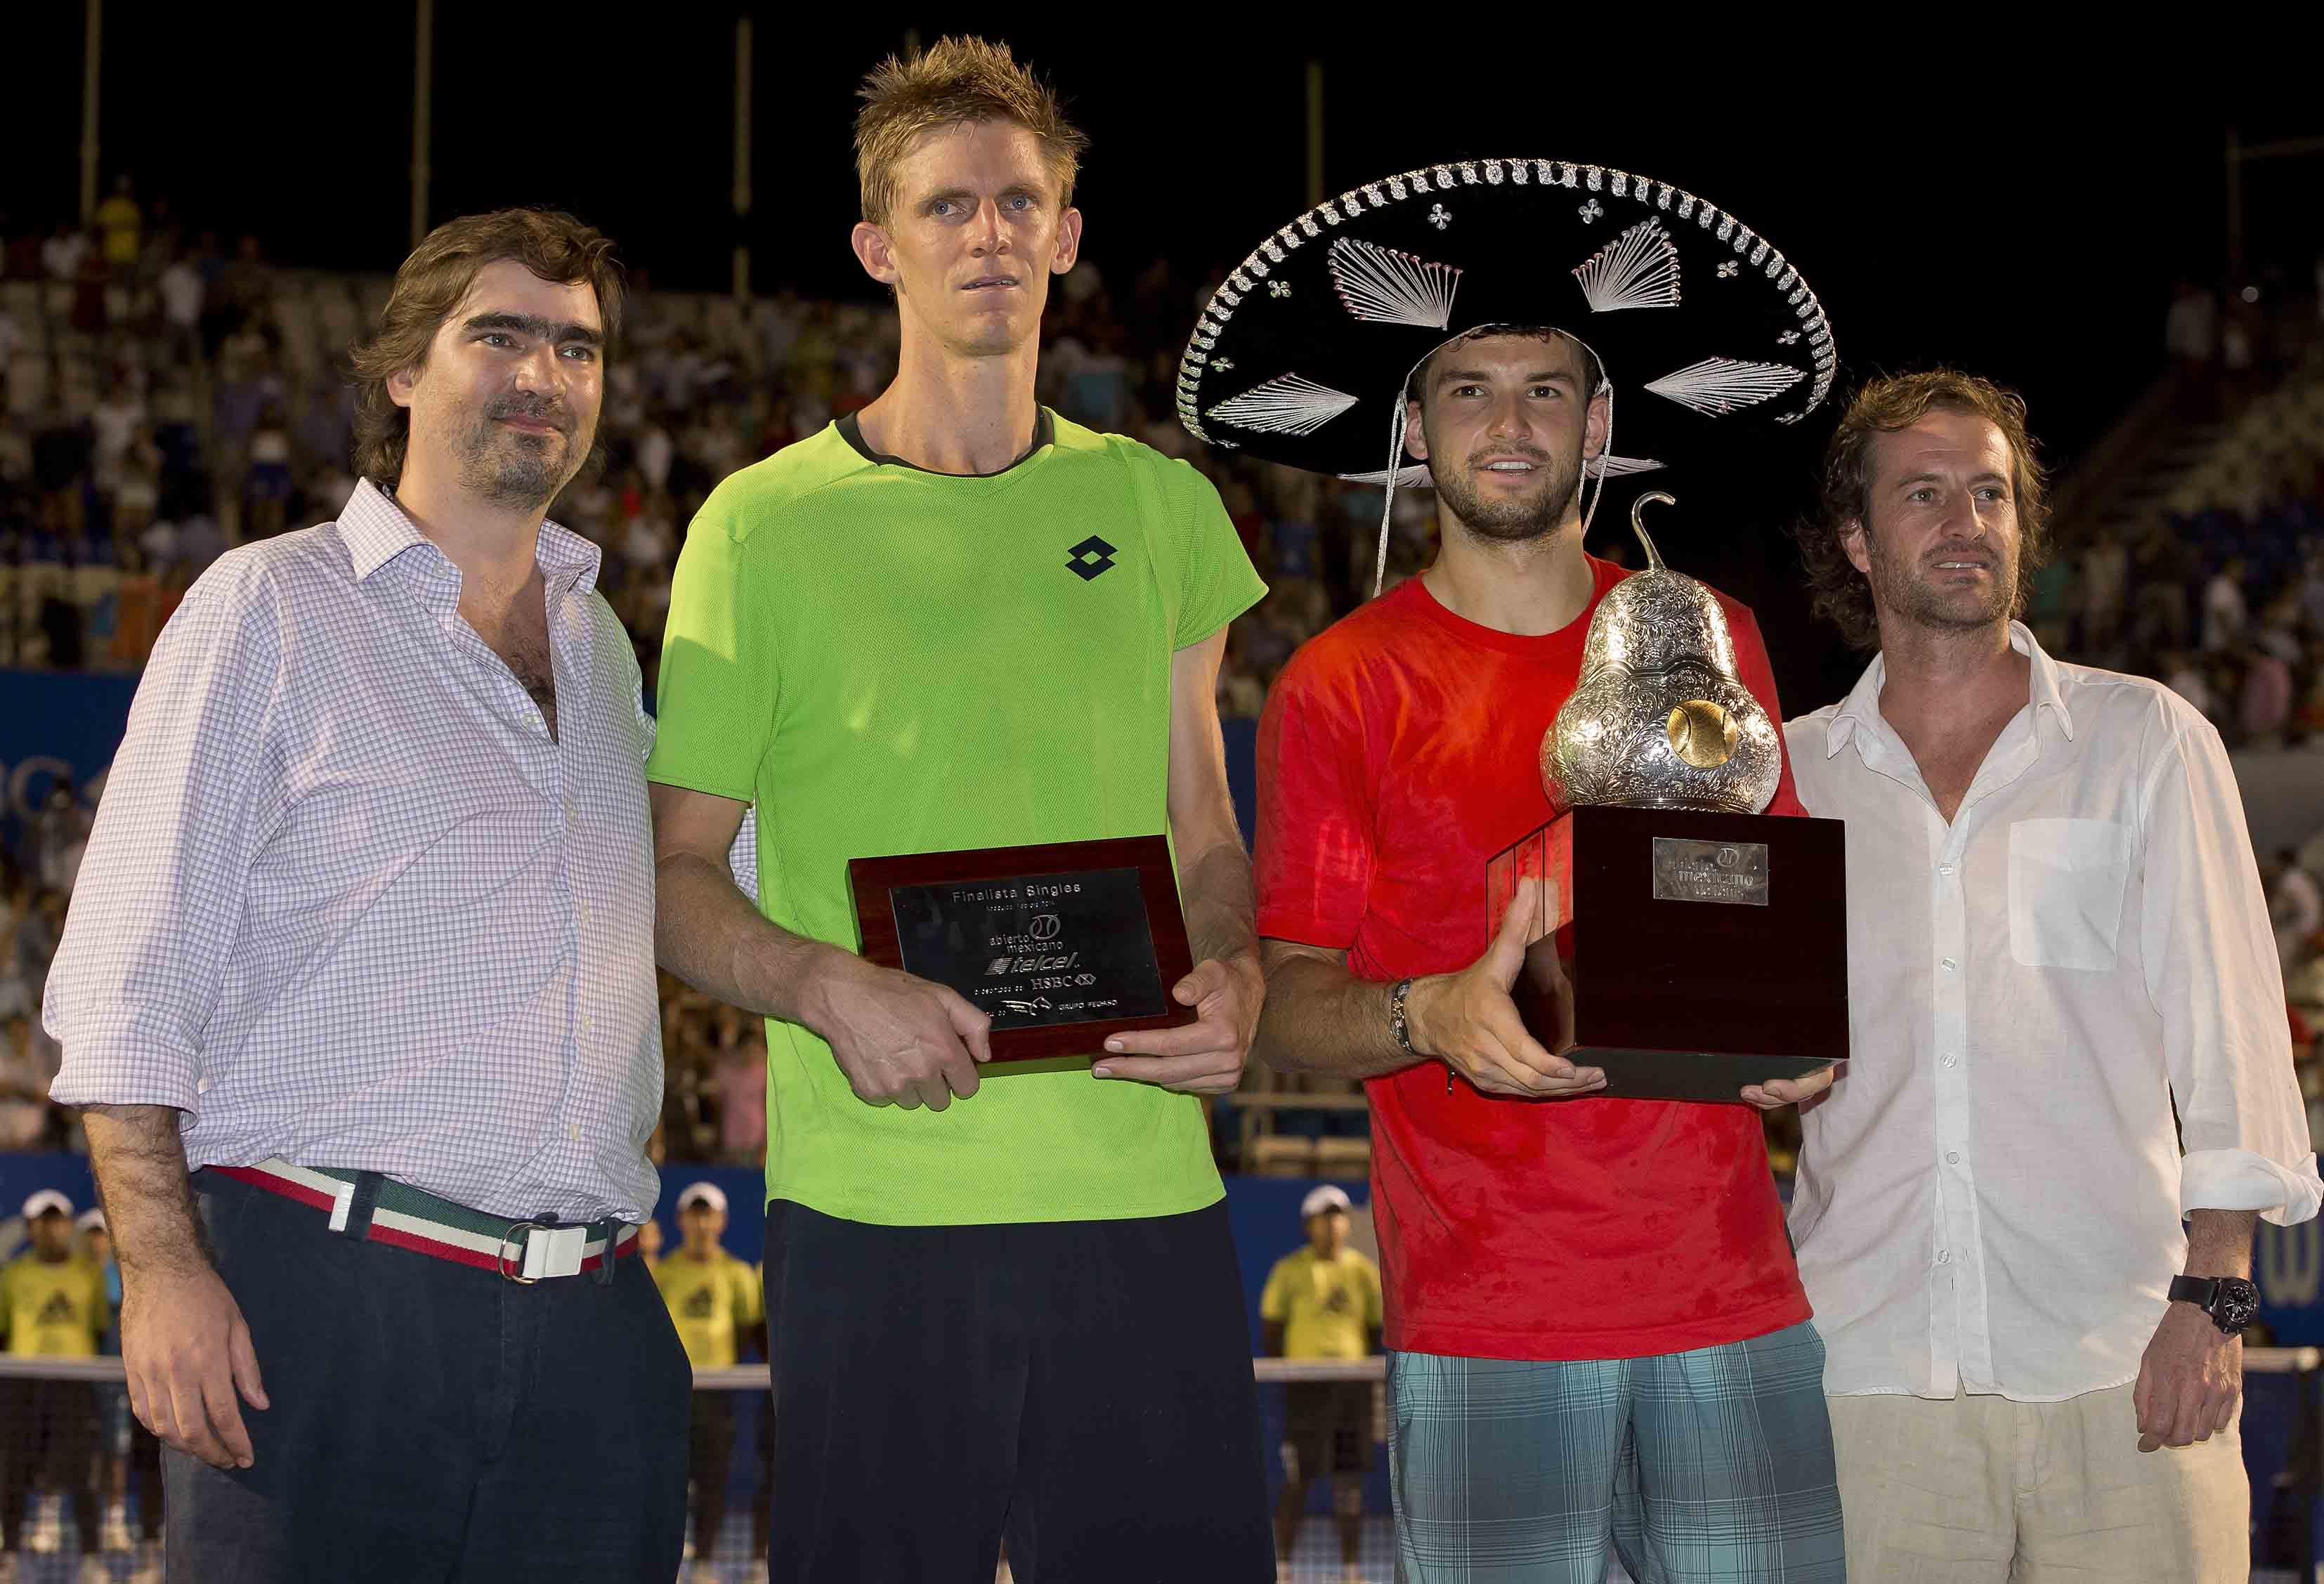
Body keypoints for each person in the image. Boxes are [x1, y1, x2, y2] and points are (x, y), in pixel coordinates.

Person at [646, 37, 1273, 1583]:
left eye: (1016, 202)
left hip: (1140, 1194)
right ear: (879, 248)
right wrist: (824, 984)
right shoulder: (757, 526)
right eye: (945, 206)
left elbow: (1205, 829)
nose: (986, 233)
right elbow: (674, 874)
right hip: (877, 1206)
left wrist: (1237, 966)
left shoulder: (1163, 508)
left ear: (1065, 233)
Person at [1203, 157, 1846, 1581]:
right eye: (1469, 389)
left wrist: (1800, 1036)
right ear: (1413, 424)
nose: (1508, 423)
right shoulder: (1339, 685)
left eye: (1546, 388)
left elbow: (1774, 918)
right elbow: (1285, 1003)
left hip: (1729, 1297)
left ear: (1598, 421)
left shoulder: (1710, 636)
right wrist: (1427, 1012)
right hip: (1485, 1318)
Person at [42, 208, 691, 1583]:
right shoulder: (269, 605)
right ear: (402, 370)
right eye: (498, 335)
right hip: (323, 1298)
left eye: (577, 348)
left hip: (590, 1328)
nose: (545, 374)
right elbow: (121, 978)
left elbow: (718, 879)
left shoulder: (603, 643)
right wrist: (160, 1268)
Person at [1784, 368, 2323, 1580]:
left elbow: (2235, 1033)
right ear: (1857, 541)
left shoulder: (2143, 741)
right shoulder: (1791, 775)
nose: (1965, 521)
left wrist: (2215, 1298)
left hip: (2126, 1367)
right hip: (1866, 1374)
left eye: (1990, 494)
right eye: (1923, 494)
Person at [1259, 1184, 1382, 1584]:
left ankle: (1351, 1572)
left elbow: (1374, 1330)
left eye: (1339, 1216)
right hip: (1306, 1392)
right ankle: (1282, 1570)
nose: (1332, 1225)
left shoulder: (1363, 1272)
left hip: (1352, 1392)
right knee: (1297, 1481)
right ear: (1308, 1225)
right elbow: (1272, 1330)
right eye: (1324, 1218)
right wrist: (1289, 1376)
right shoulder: (1289, 1271)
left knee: (1349, 1485)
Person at [650, 1183, 762, 1584]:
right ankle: (663, 1566)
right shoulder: (663, 1273)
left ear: (722, 1221)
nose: (701, 1224)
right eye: (694, 1215)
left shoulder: (738, 1274)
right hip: (672, 1396)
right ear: (681, 1220)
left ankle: (704, 1565)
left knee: (713, 1480)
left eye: (708, 1215)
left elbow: (749, 1330)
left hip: (718, 1395)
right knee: (667, 1482)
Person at [1, 1190, 110, 1584]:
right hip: (23, 1385)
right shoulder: (13, 1275)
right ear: (31, 1228)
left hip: (76, 1386)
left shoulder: (88, 1273)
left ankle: (91, 1559)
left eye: (58, 1221)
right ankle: (9, 1557)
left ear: (68, 1226)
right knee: (12, 1473)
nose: (51, 1230)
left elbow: (98, 1327)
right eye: (43, 1222)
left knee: (82, 1475)